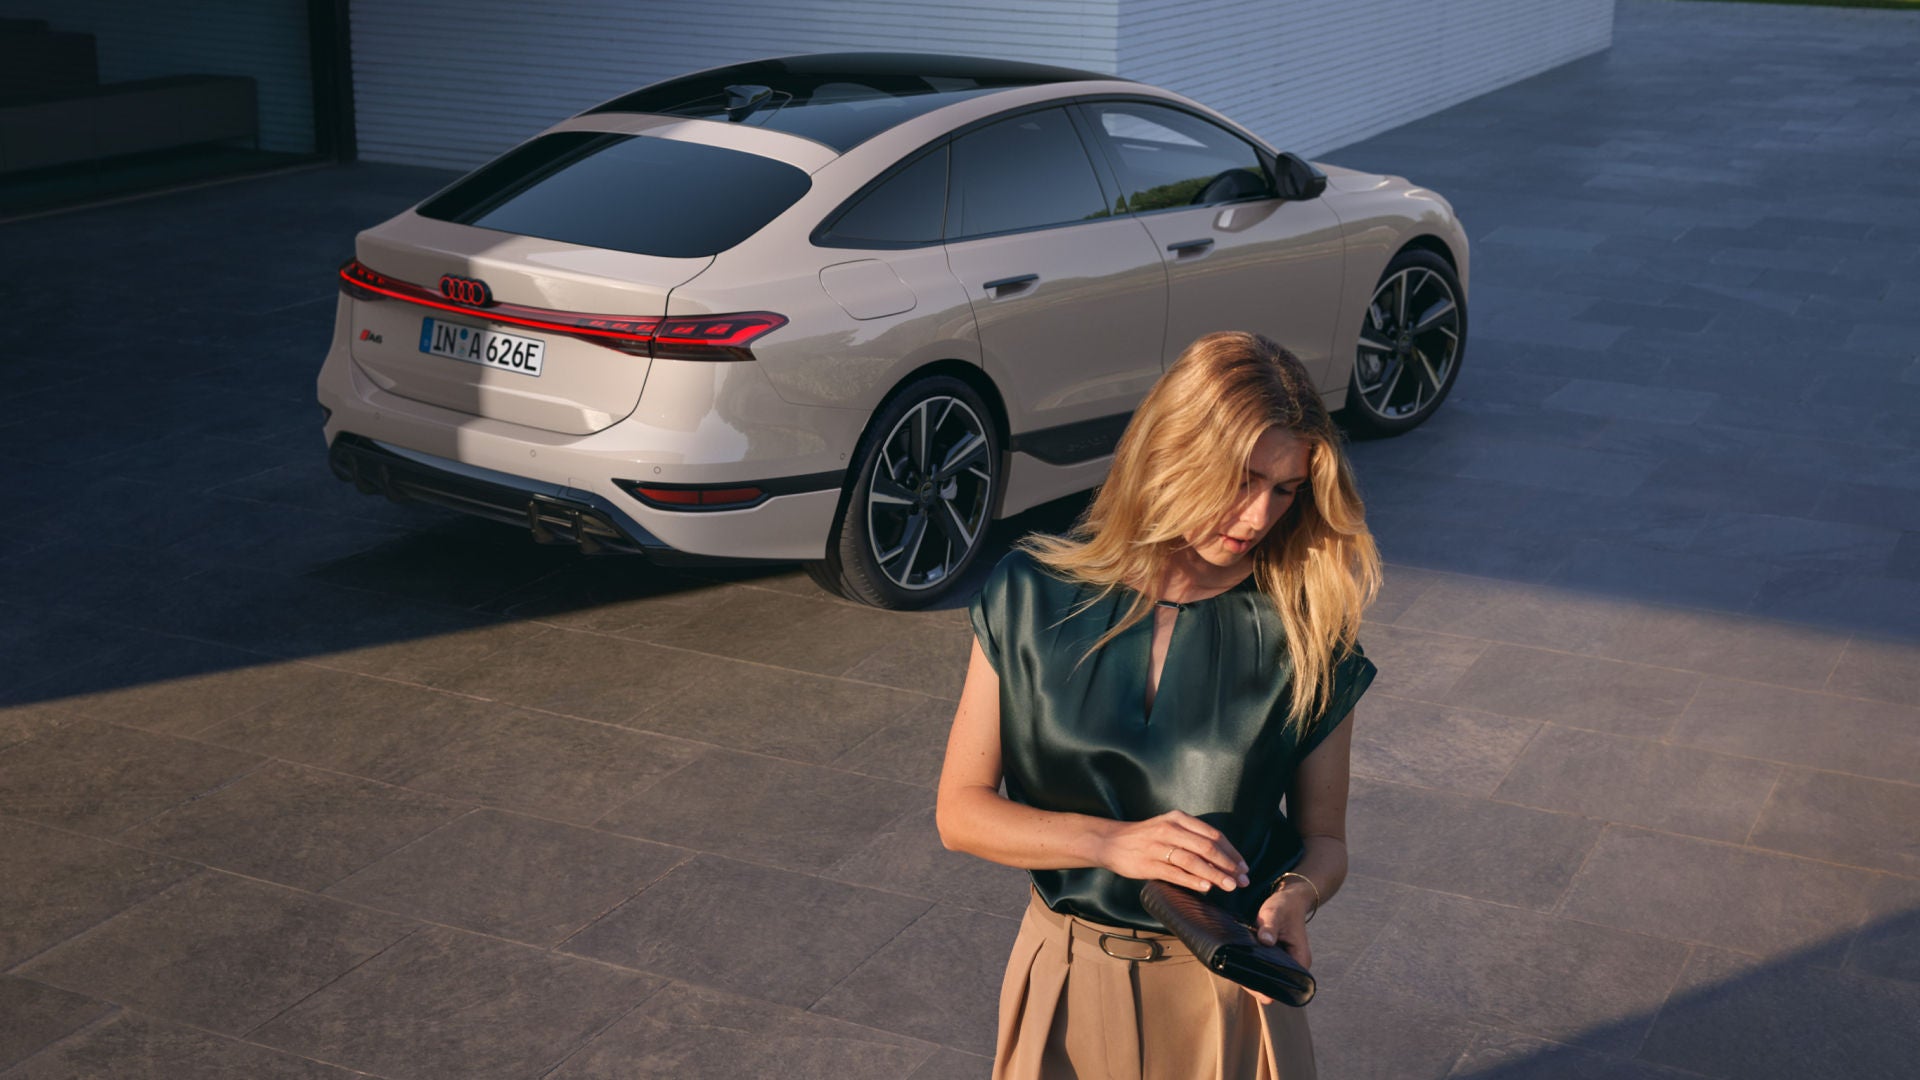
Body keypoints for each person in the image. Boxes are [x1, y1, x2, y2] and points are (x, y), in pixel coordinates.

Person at [936, 331, 1381, 1080]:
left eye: (1285, 489)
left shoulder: (1306, 633)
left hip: (1226, 994)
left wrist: (1298, 897)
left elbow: (1324, 843)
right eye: (1242, 480)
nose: (1258, 515)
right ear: (1173, 453)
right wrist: (1109, 843)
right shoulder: (1027, 594)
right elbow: (960, 812)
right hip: (1064, 975)